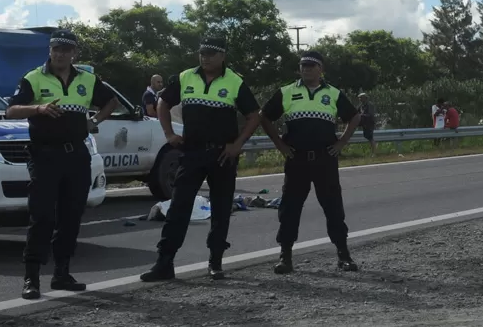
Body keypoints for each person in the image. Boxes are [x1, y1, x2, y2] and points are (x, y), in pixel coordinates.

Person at [5, 29, 119, 299]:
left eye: (66, 50)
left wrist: (94, 122)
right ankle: (31, 278)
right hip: (45, 156)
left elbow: (111, 101)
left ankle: (62, 274)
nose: (60, 54)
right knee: (42, 216)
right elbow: (11, 110)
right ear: (50, 50)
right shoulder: (33, 77)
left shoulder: (88, 79)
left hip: (77, 155)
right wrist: (38, 109)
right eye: (56, 49)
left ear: (74, 53)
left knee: (71, 217)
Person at [139, 36, 261, 282]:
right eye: (202, 53)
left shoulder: (235, 81)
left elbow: (254, 115)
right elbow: (163, 103)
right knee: (178, 207)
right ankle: (164, 263)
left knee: (221, 209)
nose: (205, 58)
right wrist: (169, 134)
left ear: (223, 56)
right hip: (191, 152)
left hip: (222, 155)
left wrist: (237, 145)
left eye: (211, 54)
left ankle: (215, 262)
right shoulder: (185, 77)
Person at [258, 50, 362, 274]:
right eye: (303, 65)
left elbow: (354, 116)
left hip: (325, 159)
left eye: (311, 65)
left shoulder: (333, 93)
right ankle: (285, 256)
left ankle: (343, 255)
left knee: (333, 207)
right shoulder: (286, 91)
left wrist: (342, 142)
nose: (306, 69)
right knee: (290, 208)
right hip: (297, 160)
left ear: (321, 69)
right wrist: (280, 144)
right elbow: (264, 116)